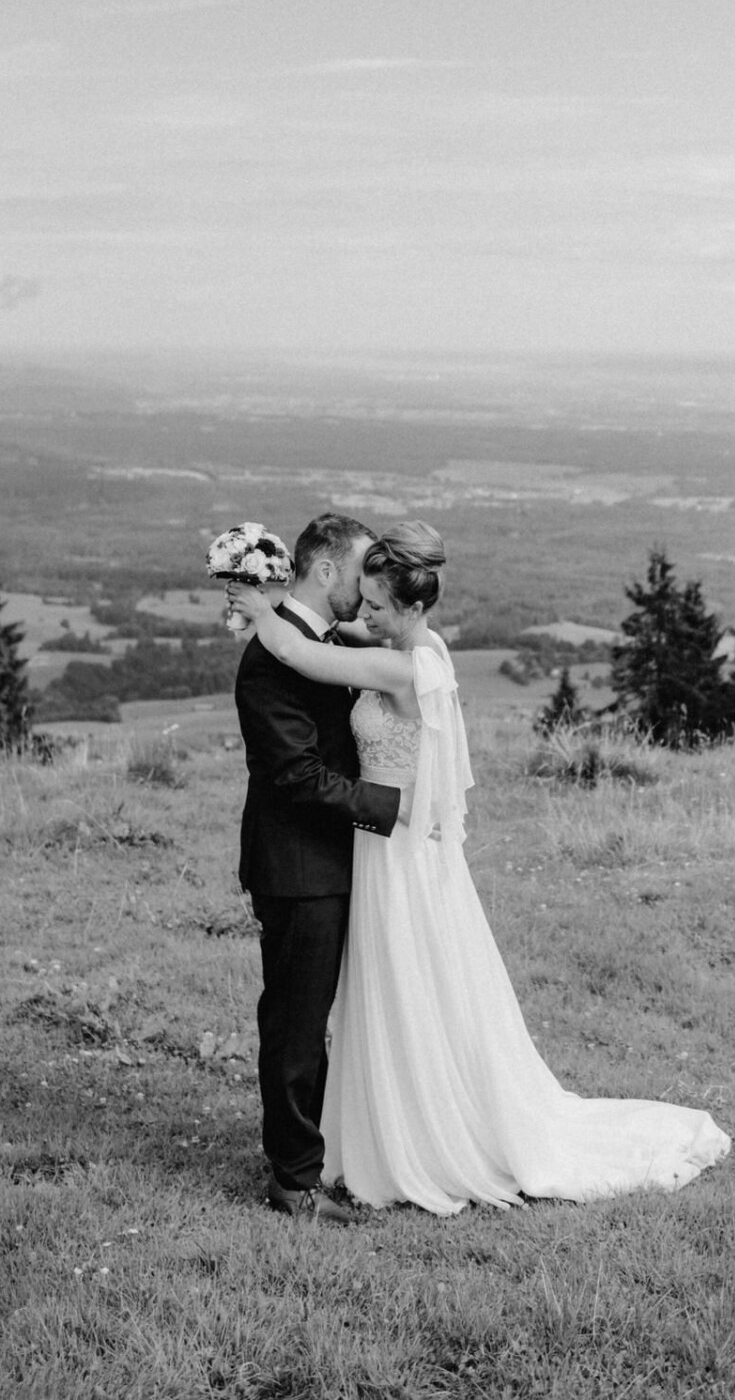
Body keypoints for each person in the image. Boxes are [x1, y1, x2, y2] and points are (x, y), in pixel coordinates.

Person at [229, 522, 730, 1216]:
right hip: (338, 855)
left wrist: (262, 612)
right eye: (359, 593)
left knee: (398, 995)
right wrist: (274, 615)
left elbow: (304, 654)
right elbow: (300, 738)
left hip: (386, 850)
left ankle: (396, 1140)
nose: (364, 612)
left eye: (375, 603)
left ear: (404, 605)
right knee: (327, 1011)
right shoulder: (390, 645)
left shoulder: (399, 660)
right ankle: (313, 1162)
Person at [233, 513, 402, 1226]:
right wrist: (389, 807)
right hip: (299, 868)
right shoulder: (272, 658)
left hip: (332, 861)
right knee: (297, 1024)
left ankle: (322, 1158)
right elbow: (298, 775)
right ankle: (294, 1181)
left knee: (318, 1020)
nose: (364, 586)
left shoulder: (316, 640)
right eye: (358, 569)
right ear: (325, 569)